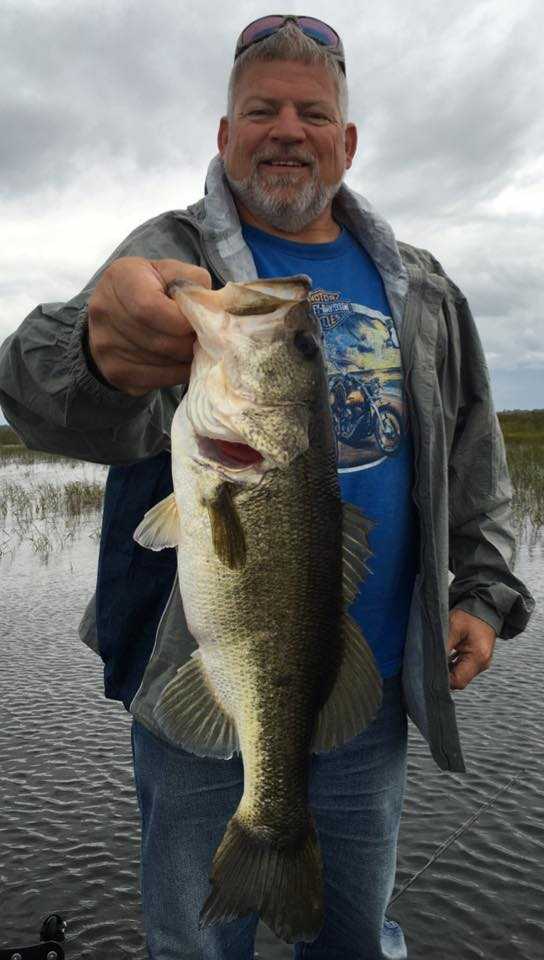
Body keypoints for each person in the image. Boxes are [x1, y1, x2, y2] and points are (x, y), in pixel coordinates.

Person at [0, 15, 534, 960]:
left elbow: (473, 452)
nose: (287, 128)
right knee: (195, 941)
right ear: (224, 134)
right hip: (197, 674)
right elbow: (33, 394)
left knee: (356, 938)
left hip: (364, 686)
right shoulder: (168, 257)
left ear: (348, 140)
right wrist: (92, 347)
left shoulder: (424, 284)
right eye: (261, 110)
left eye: (312, 112)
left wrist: (484, 591)